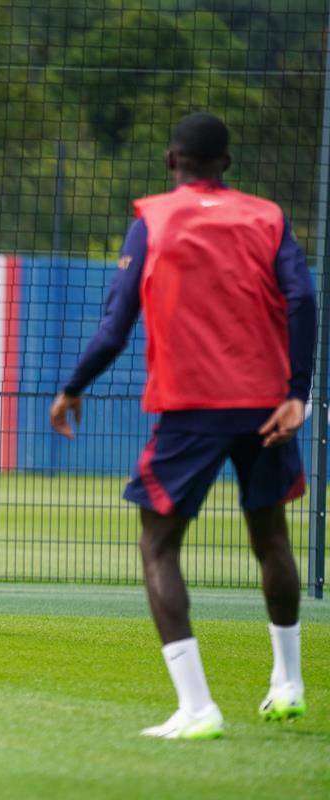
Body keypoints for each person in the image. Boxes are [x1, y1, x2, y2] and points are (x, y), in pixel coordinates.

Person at [50, 112, 315, 739]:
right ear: (226, 162)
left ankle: (197, 707)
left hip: (192, 407)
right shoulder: (268, 217)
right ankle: (288, 682)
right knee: (271, 539)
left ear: (172, 161)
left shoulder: (153, 220)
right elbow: (303, 298)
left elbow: (115, 326)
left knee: (159, 546)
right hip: (266, 404)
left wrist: (72, 388)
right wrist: (297, 393)